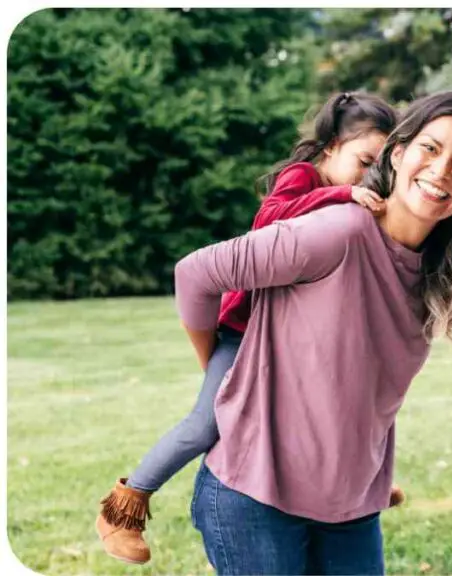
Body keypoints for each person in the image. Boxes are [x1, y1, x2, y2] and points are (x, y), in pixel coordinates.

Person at [181, 90, 452, 575]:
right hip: (254, 496)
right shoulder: (339, 231)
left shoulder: (434, 278)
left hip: (350, 511)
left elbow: (368, 394)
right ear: (398, 154)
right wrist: (220, 372)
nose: (440, 171)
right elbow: (196, 274)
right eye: (430, 149)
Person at [95, 92, 400, 565]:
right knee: (205, 424)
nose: (368, 177)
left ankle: (357, 483)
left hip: (289, 337)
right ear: (331, 148)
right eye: (363, 161)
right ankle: (125, 506)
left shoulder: (356, 203)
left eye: (379, 169)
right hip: (245, 332)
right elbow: (268, 219)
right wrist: (340, 193)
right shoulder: (302, 178)